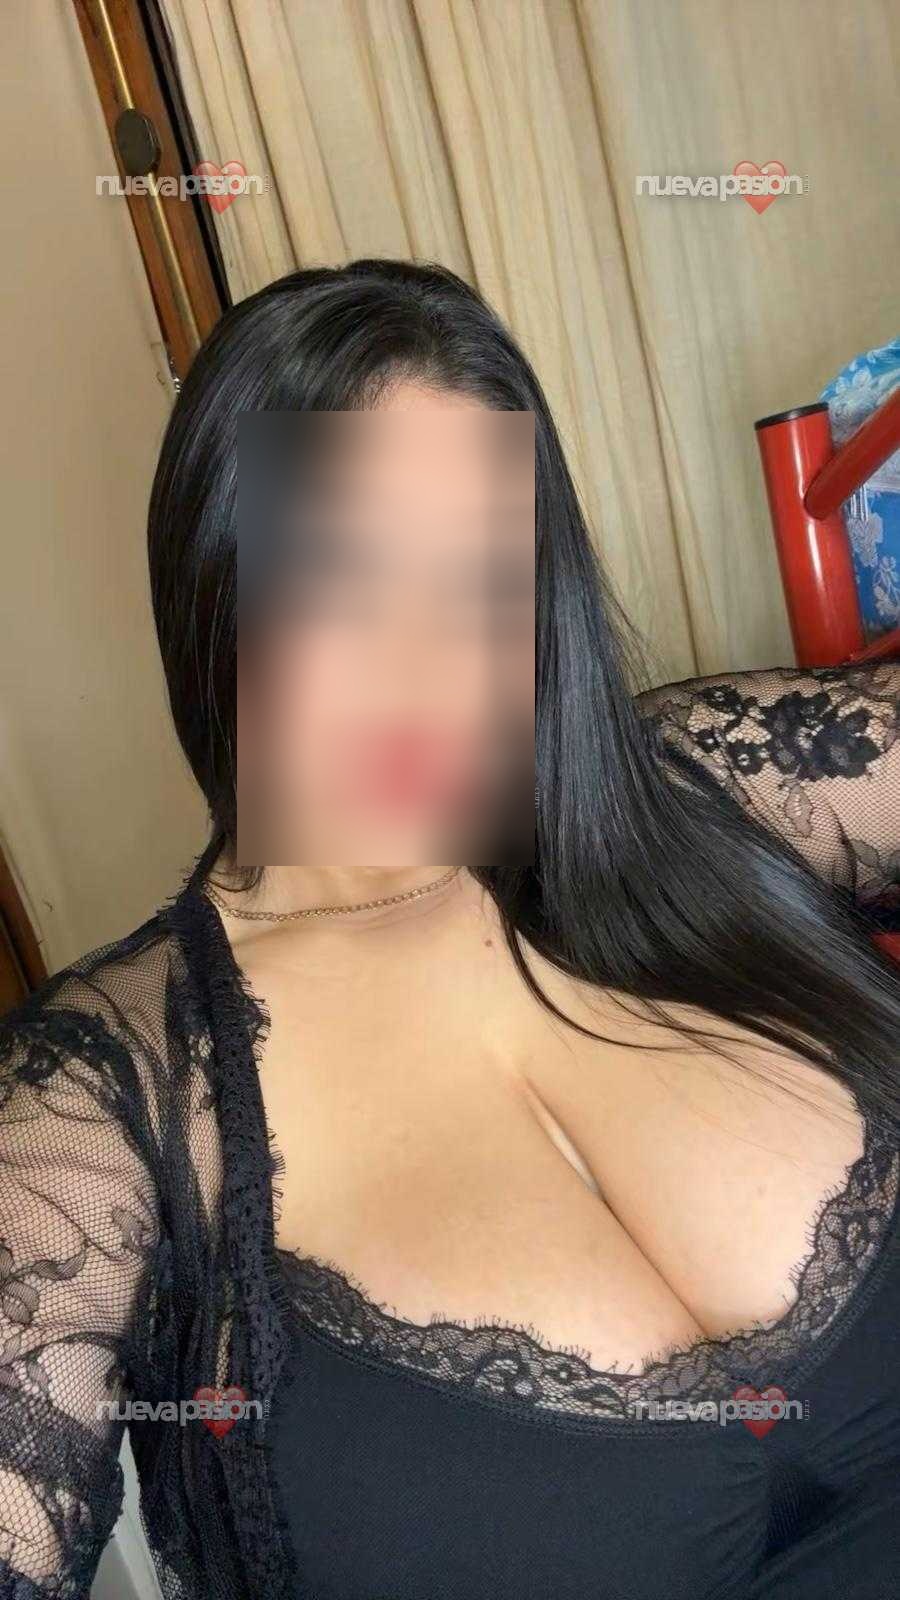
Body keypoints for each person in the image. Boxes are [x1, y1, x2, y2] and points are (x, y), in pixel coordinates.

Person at [0, 258, 898, 1600]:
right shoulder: (101, 1104)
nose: (422, 669)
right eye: (345, 582)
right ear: (216, 586)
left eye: (480, 581)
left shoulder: (702, 788)